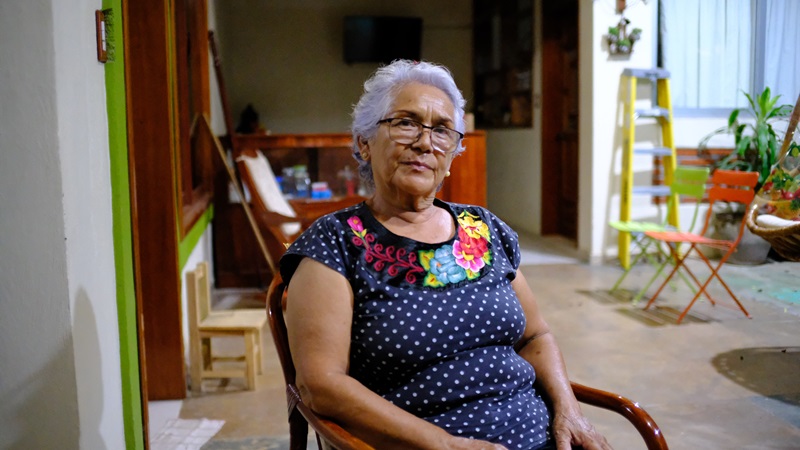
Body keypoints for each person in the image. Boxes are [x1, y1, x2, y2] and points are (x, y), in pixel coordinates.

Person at [280, 59, 610, 450]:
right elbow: (320, 385)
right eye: (406, 123)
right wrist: (446, 444)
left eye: (441, 130)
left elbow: (535, 335)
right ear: (364, 143)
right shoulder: (336, 242)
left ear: (452, 154)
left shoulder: (482, 228)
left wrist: (569, 410)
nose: (425, 143)